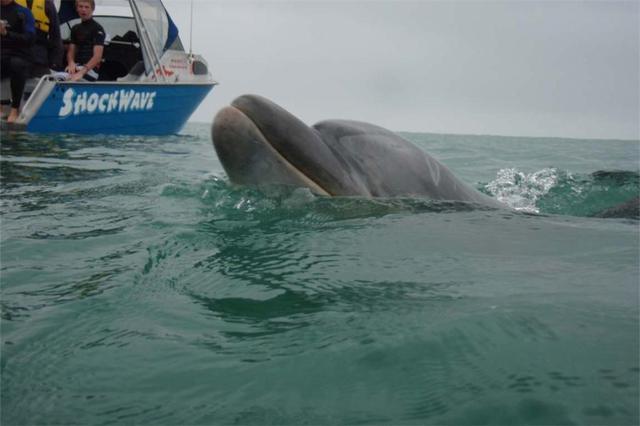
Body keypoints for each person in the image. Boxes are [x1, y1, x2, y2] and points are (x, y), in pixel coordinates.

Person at [0, 0, 35, 123]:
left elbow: (30, 38)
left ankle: (15, 109)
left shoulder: (23, 12)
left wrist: (6, 33)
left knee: (17, 64)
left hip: (18, 54)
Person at [15, 0, 63, 76]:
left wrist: (55, 62)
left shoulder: (47, 4)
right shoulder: (8, 3)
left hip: (39, 59)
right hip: (15, 56)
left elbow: (55, 35)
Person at [65, 0, 104, 82]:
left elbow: (98, 57)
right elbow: (71, 51)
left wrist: (81, 73)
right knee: (58, 78)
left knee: (71, 80)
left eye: (86, 7)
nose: (83, 10)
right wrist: (71, 63)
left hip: (91, 69)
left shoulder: (97, 29)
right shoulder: (75, 28)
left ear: (92, 9)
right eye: (81, 7)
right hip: (77, 66)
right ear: (77, 9)